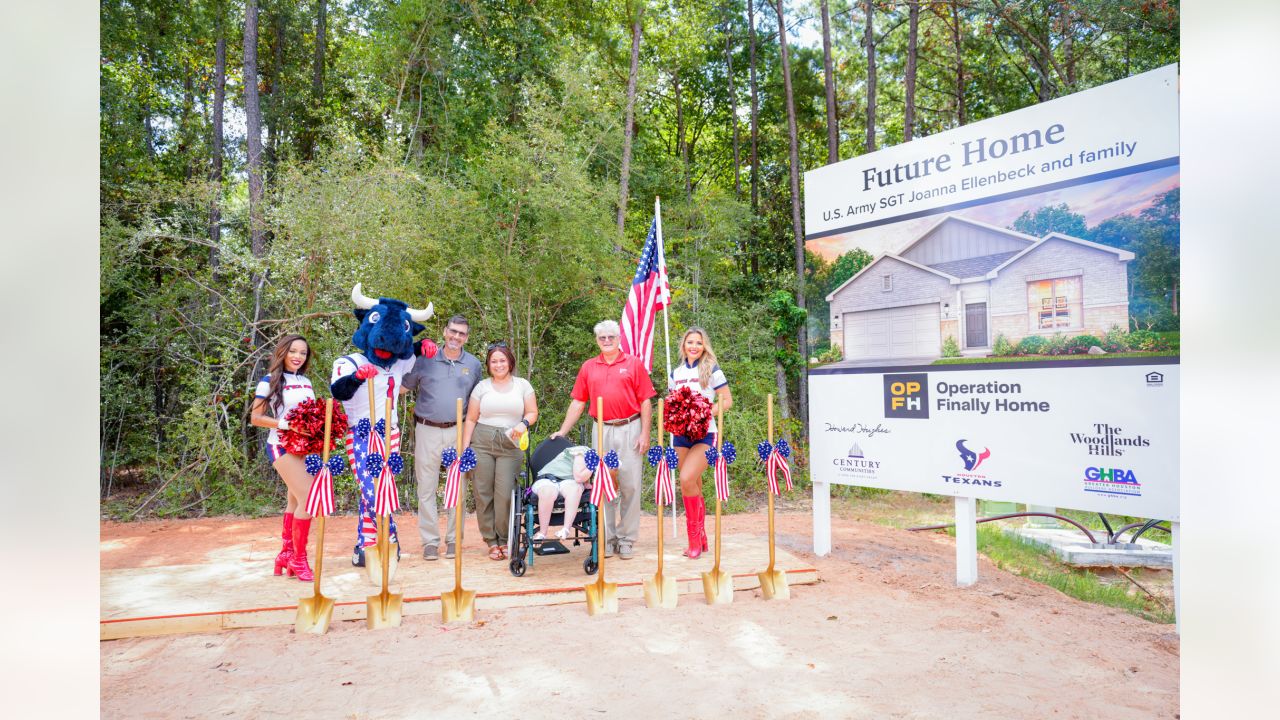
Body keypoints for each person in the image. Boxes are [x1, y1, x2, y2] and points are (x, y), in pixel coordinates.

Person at [549, 320, 655, 560]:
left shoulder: (633, 364)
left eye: (611, 337)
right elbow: (578, 402)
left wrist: (645, 432)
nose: (607, 341)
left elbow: (646, 401)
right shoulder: (589, 367)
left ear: (619, 339)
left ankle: (626, 539)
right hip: (602, 430)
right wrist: (562, 432)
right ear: (596, 340)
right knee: (605, 486)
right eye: (602, 338)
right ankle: (606, 538)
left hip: (630, 427)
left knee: (629, 485)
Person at [401, 315, 482, 561]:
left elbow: (478, 400)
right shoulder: (425, 359)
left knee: (457, 486)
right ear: (445, 331)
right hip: (427, 428)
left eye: (462, 333)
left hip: (459, 430)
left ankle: (453, 540)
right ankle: (430, 541)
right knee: (426, 486)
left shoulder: (474, 364)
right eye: (453, 332)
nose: (456, 337)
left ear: (466, 337)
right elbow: (403, 387)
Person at [249, 334, 318, 580]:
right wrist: (286, 425)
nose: (298, 356)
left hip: (305, 448)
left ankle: (286, 554)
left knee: (295, 502)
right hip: (281, 446)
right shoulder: (269, 381)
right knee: (309, 499)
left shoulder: (306, 382)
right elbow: (255, 418)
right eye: (293, 351)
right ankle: (299, 560)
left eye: (303, 352)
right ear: (283, 353)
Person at [461, 343, 538, 560]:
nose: (498, 364)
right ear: (488, 365)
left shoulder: (522, 385)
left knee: (505, 494)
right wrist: (465, 447)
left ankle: (505, 539)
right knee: (483, 493)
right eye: (494, 361)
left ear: (510, 362)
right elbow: (472, 418)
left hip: (511, 443)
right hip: (482, 442)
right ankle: (491, 542)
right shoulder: (482, 387)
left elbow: (532, 412)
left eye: (502, 360)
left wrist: (523, 423)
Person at [667, 326, 733, 560]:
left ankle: (693, 541)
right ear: (683, 345)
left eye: (698, 342)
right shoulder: (675, 373)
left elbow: (726, 401)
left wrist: (704, 415)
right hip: (681, 436)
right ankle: (701, 537)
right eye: (690, 342)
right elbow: (672, 404)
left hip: (705, 435)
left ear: (704, 346)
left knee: (686, 478)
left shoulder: (712, 370)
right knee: (690, 482)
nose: (694, 346)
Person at [529, 444, 591, 541]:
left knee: (575, 490)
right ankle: (542, 532)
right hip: (548, 477)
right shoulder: (582, 451)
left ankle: (566, 529)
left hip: (569, 481)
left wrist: (587, 483)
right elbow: (579, 476)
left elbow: (583, 477)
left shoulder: (598, 462)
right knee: (548, 492)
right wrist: (594, 465)